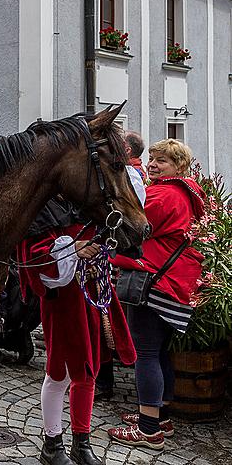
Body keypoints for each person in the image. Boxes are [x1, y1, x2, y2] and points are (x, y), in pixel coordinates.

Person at [19, 194, 139, 465]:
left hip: (93, 293)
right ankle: (52, 444)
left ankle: (81, 444)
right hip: (62, 299)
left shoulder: (89, 200)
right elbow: (33, 255)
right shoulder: (43, 203)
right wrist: (73, 248)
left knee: (88, 370)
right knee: (59, 373)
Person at [107, 139, 205, 451]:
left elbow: (134, 228)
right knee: (160, 351)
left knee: (146, 353)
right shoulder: (186, 194)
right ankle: (159, 415)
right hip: (174, 281)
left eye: (161, 161)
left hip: (155, 282)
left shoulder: (163, 195)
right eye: (152, 158)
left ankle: (149, 430)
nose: (152, 164)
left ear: (179, 166)